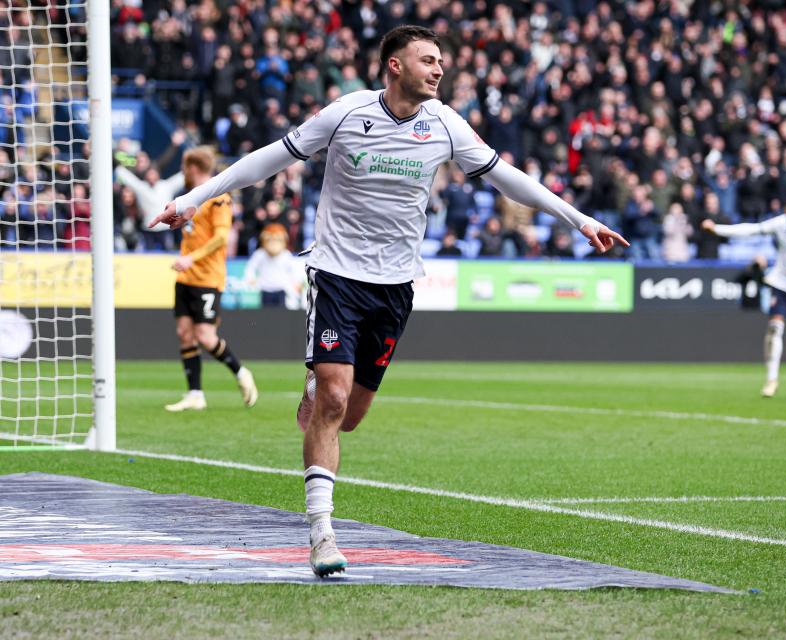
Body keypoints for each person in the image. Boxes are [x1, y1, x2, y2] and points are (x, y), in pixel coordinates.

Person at [150, 26, 627, 578]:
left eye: (441, 60)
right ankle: (321, 533)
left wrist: (581, 220)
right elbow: (266, 161)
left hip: (396, 286)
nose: (440, 69)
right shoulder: (347, 113)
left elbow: (509, 180)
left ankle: (317, 391)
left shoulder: (445, 124)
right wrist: (190, 199)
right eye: (428, 60)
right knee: (332, 398)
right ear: (395, 66)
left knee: (349, 416)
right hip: (336, 274)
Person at [702, 197, 786, 397]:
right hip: (781, 282)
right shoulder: (781, 223)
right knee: (775, 326)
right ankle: (771, 379)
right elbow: (752, 229)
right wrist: (718, 229)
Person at [163, 147, 258, 413]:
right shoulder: (188, 197)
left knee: (205, 336)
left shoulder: (219, 198)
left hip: (207, 276)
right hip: (186, 276)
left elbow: (220, 238)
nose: (184, 171)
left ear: (194, 167)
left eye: (185, 166)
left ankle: (241, 373)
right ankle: (195, 394)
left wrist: (192, 257)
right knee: (184, 334)